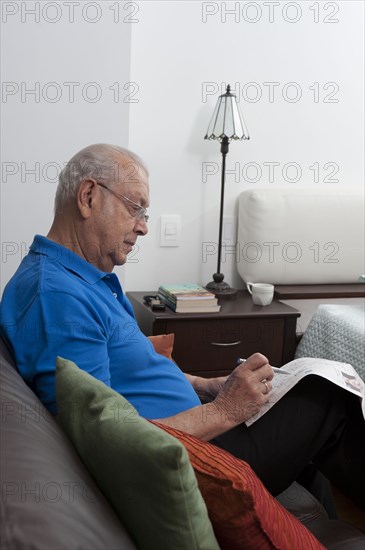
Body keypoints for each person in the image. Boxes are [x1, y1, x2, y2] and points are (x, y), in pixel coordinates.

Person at [1, 143, 364, 510]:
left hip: (197, 435)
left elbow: (133, 367)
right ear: (89, 196)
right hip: (185, 461)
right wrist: (223, 411)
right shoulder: (55, 296)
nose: (143, 226)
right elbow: (102, 442)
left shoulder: (85, 279)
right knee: (327, 396)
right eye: (135, 208)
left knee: (309, 437)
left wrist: (205, 386)